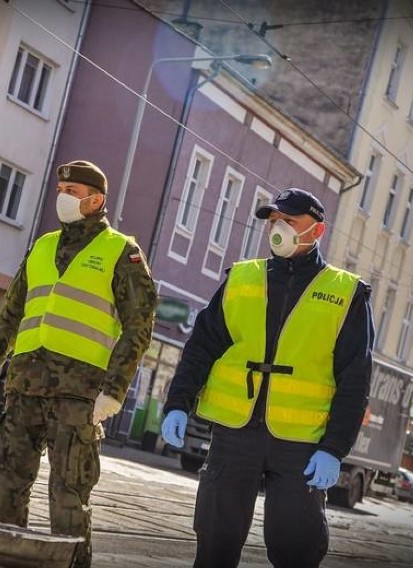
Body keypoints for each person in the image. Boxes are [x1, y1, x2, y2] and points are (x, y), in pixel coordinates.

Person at [160, 188, 374, 568]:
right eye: (274, 221)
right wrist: (178, 402)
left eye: (289, 222)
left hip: (302, 447)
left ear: (317, 231)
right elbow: (201, 346)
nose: (279, 229)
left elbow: (355, 379)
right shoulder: (242, 279)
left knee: (296, 549)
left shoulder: (346, 294)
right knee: (214, 544)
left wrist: (334, 448)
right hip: (234, 436)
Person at [0, 160, 158, 568]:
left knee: (69, 498)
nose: (64, 197)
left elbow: (140, 325)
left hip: (79, 396)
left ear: (96, 200)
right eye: (63, 188)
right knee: (5, 485)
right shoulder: (42, 246)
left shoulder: (121, 251)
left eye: (73, 191)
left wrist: (115, 388)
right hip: (24, 388)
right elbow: (11, 313)